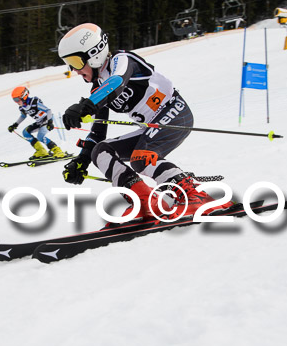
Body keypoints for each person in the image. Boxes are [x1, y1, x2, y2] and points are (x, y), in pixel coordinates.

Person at [57, 23, 231, 221]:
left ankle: (195, 195)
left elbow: (117, 81)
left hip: (175, 113)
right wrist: (82, 160)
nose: (74, 70)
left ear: (94, 53)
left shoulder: (122, 60)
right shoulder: (98, 89)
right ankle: (145, 200)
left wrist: (87, 104)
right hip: (151, 128)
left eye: (75, 62)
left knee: (140, 158)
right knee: (102, 151)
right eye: (68, 64)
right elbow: (98, 133)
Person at [8, 86, 65, 159]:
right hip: (39, 122)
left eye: (16, 99)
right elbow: (23, 116)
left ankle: (58, 151)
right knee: (25, 132)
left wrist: (50, 122)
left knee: (40, 136)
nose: (16, 102)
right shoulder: (22, 107)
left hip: (46, 119)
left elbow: (48, 111)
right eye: (14, 100)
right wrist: (15, 125)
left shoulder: (34, 102)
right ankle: (41, 151)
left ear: (23, 96)